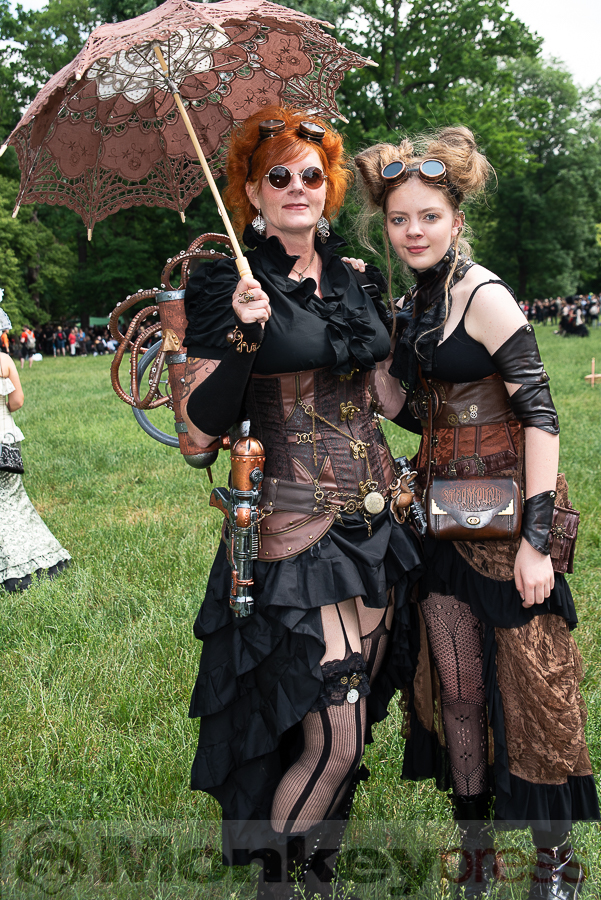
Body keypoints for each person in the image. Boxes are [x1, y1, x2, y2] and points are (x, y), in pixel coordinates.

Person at [182, 106, 423, 899]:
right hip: (295, 527)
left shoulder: (358, 277)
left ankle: (315, 866)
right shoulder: (226, 279)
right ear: (250, 190)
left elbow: (388, 395)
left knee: (351, 721)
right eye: (277, 175)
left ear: (330, 186)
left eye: (311, 175)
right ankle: (277, 882)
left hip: (376, 522)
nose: (296, 188)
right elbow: (206, 427)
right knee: (335, 731)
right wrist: (247, 337)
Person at [355, 127, 599, 899]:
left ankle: (556, 858)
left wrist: (534, 542)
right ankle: (474, 844)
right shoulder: (410, 304)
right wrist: (363, 343)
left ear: (456, 219)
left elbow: (540, 414)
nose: (413, 231)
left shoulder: (483, 294)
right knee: (457, 687)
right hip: (439, 518)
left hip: (506, 522)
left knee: (533, 686)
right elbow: (406, 409)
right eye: (399, 220)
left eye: (427, 216)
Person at [0, 350, 71, 591]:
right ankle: (38, 558)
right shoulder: (4, 360)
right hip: (5, 437)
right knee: (12, 499)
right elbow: (17, 400)